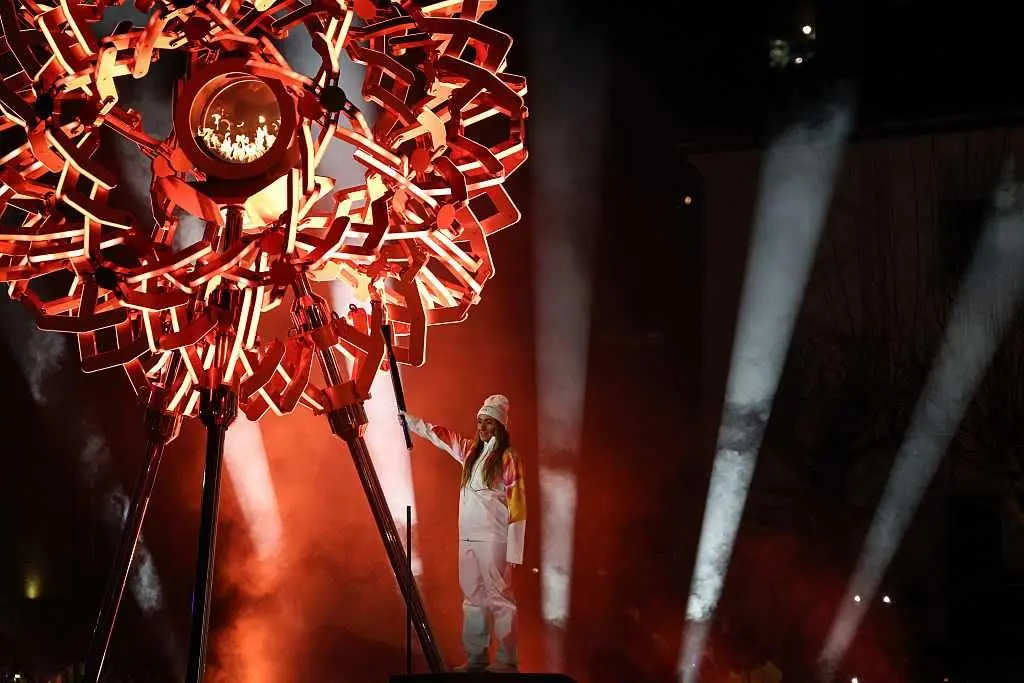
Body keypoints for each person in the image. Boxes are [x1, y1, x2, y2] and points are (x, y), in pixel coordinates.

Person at [402, 394, 526, 673]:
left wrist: (515, 549)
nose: (482, 427)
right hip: (468, 536)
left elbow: (518, 504)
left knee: (500, 598)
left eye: (488, 423)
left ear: (500, 426)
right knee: (473, 598)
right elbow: (441, 435)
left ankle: (508, 660)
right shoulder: (470, 453)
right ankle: (477, 658)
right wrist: (409, 422)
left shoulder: (508, 458)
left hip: (494, 538)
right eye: (480, 422)